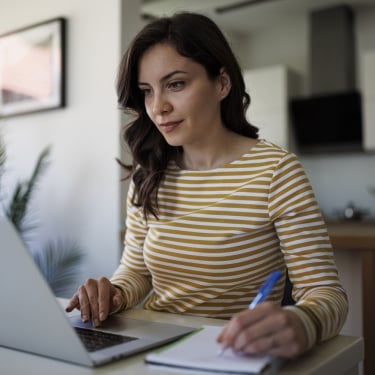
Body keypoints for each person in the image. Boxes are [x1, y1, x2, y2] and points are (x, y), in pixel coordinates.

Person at [66, 12, 348, 358]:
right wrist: (115, 293)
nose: (158, 108)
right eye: (146, 92)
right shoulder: (149, 174)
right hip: (152, 348)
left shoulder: (276, 171)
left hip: (233, 354)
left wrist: (302, 323)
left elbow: (326, 293)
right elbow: (136, 271)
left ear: (222, 84)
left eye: (176, 84)